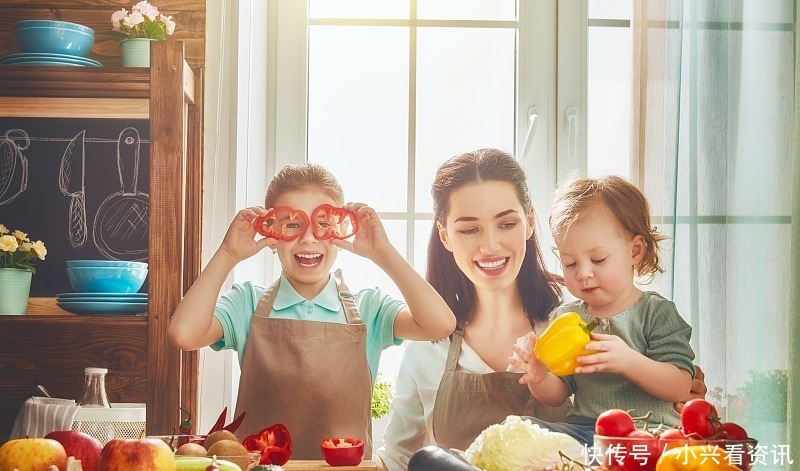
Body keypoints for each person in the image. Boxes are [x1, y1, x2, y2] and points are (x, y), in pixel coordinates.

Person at [375, 149, 707, 470]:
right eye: (469, 229)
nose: (490, 245)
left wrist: (679, 388)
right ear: (445, 236)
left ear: (530, 221)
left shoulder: (581, 312)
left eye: (506, 224)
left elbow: (678, 391)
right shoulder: (430, 341)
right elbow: (398, 459)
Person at [168, 163, 456, 459]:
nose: (308, 238)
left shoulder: (369, 308)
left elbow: (441, 324)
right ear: (270, 234)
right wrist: (228, 254)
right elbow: (183, 334)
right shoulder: (247, 304)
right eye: (292, 224)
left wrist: (382, 252)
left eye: (322, 223)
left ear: (341, 232)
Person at [509, 175, 696, 446]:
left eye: (598, 259)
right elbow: (559, 394)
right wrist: (540, 378)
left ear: (635, 251)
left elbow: (680, 385)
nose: (584, 273)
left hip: (651, 434)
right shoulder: (566, 318)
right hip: (586, 432)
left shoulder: (656, 312)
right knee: (521, 429)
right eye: (570, 263)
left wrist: (628, 361)